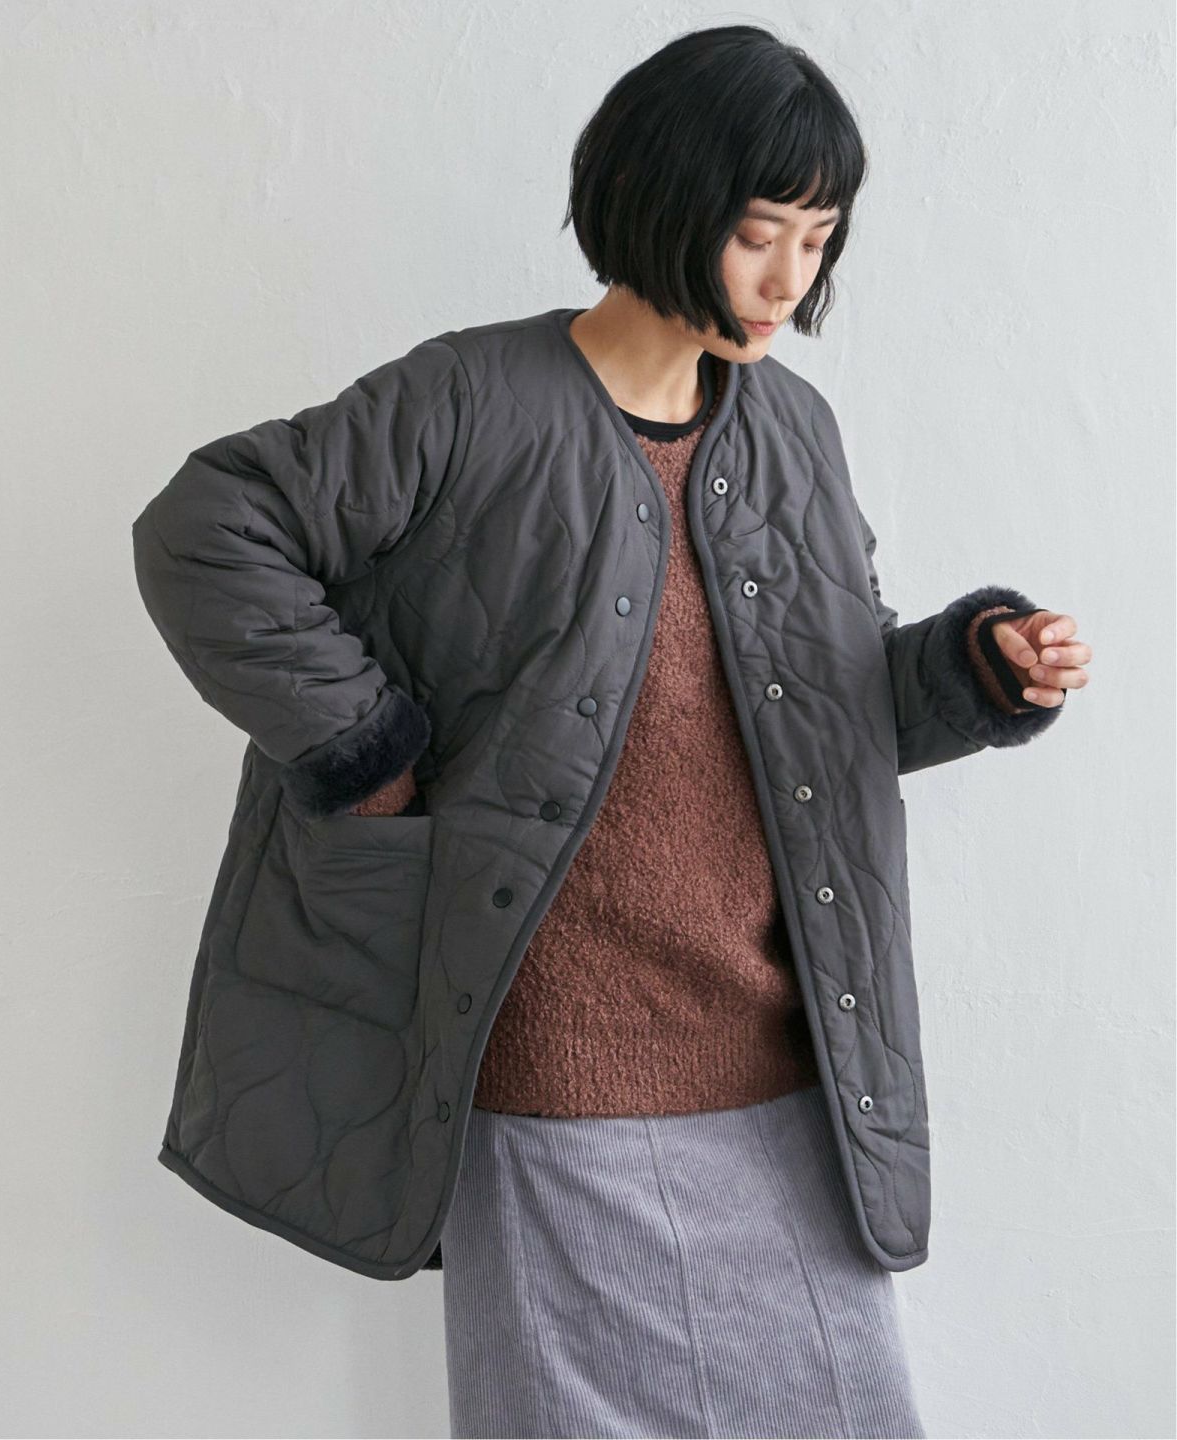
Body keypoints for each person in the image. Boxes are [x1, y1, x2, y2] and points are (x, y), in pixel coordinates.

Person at [132, 22, 1089, 1440]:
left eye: (818, 239)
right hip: (557, 1063)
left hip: (787, 1066)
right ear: (659, 201)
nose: (788, 279)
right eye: (757, 233)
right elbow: (206, 530)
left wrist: (974, 672)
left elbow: (819, 714)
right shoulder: (468, 399)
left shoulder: (794, 431)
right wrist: (368, 751)